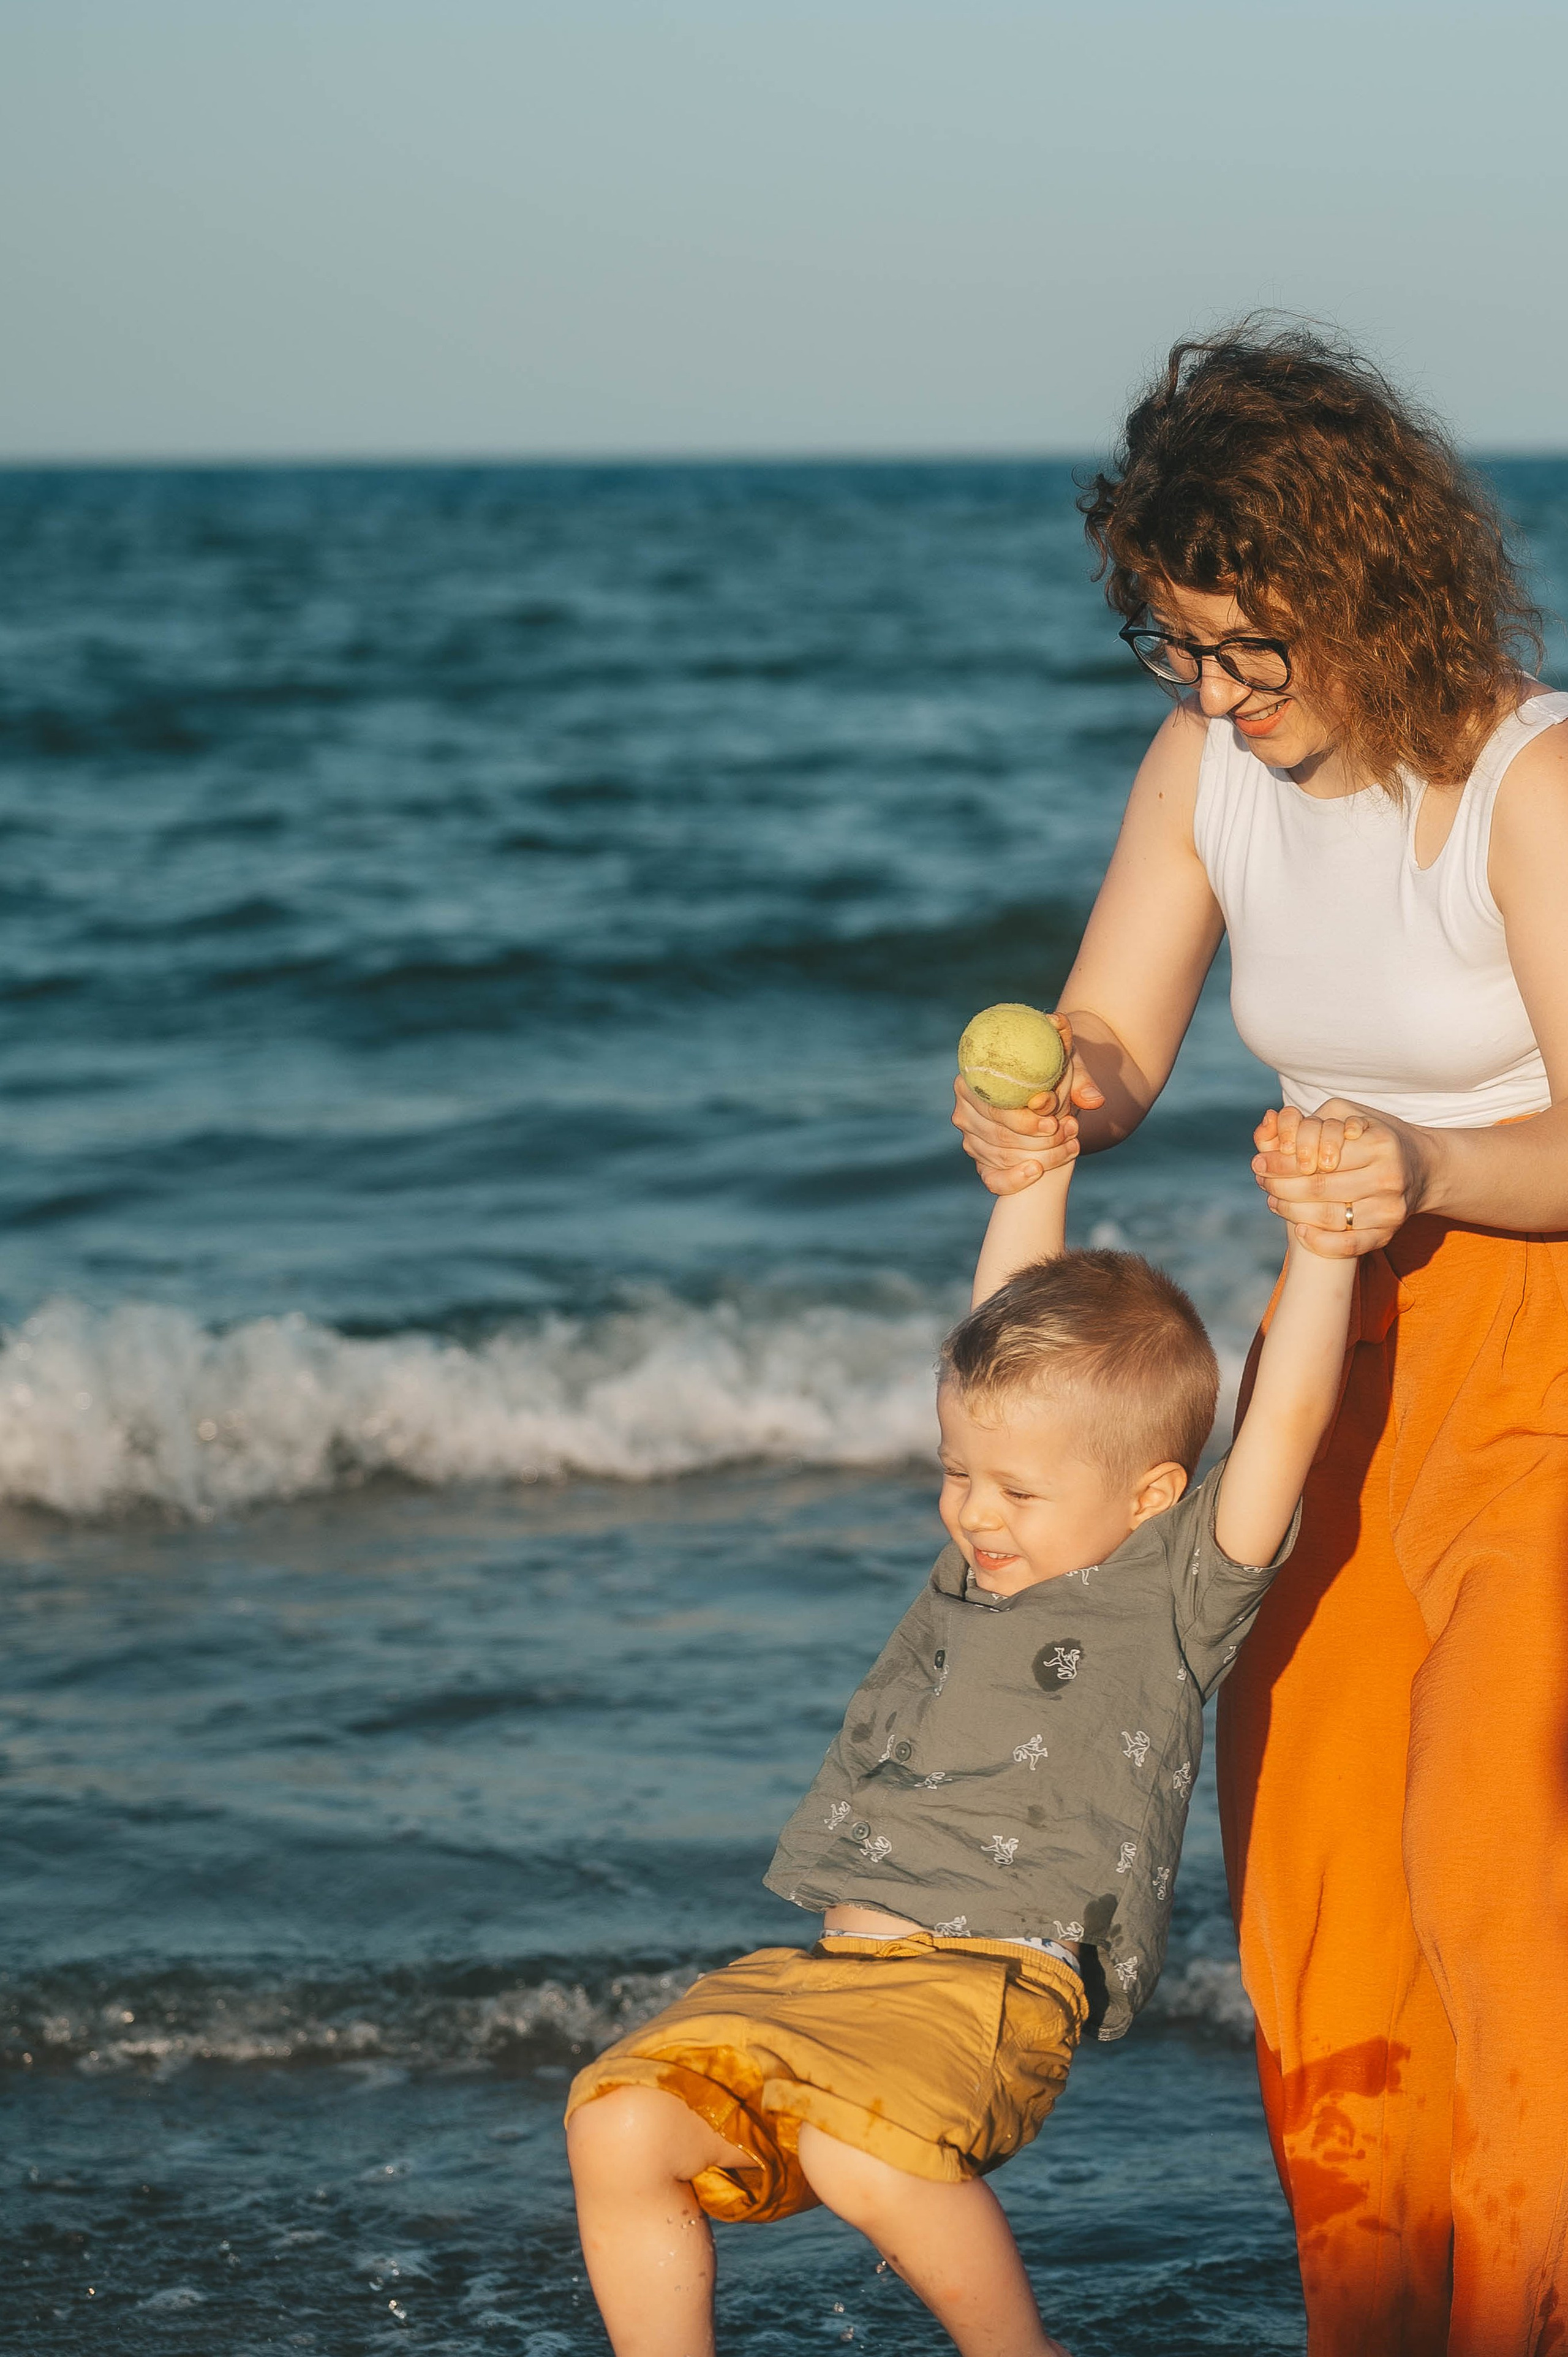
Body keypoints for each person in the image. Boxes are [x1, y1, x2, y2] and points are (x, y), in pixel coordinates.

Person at [952, 320, 1568, 2357]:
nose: (1217, 692)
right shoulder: (1204, 767)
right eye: (1180, 649)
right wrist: (1057, 1096)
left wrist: (1417, 1149)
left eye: (1249, 649)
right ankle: (1379, 2311)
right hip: (1334, 1333)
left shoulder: (1528, 782)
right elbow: (1118, 1027)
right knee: (1305, 1852)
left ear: (1364, 587)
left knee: (1490, 1841)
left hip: (1544, 1341)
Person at [565, 1112, 1357, 2357]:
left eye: (1014, 1492)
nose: (973, 1513)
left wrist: (1323, 1246)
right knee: (614, 2120)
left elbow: (1284, 1420)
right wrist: (1035, 1178)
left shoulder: (1174, 1590)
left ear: (1149, 1494)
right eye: (955, 1473)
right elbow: (996, 1336)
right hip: (835, 1981)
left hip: (990, 1988)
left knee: (854, 2143)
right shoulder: (983, 1562)